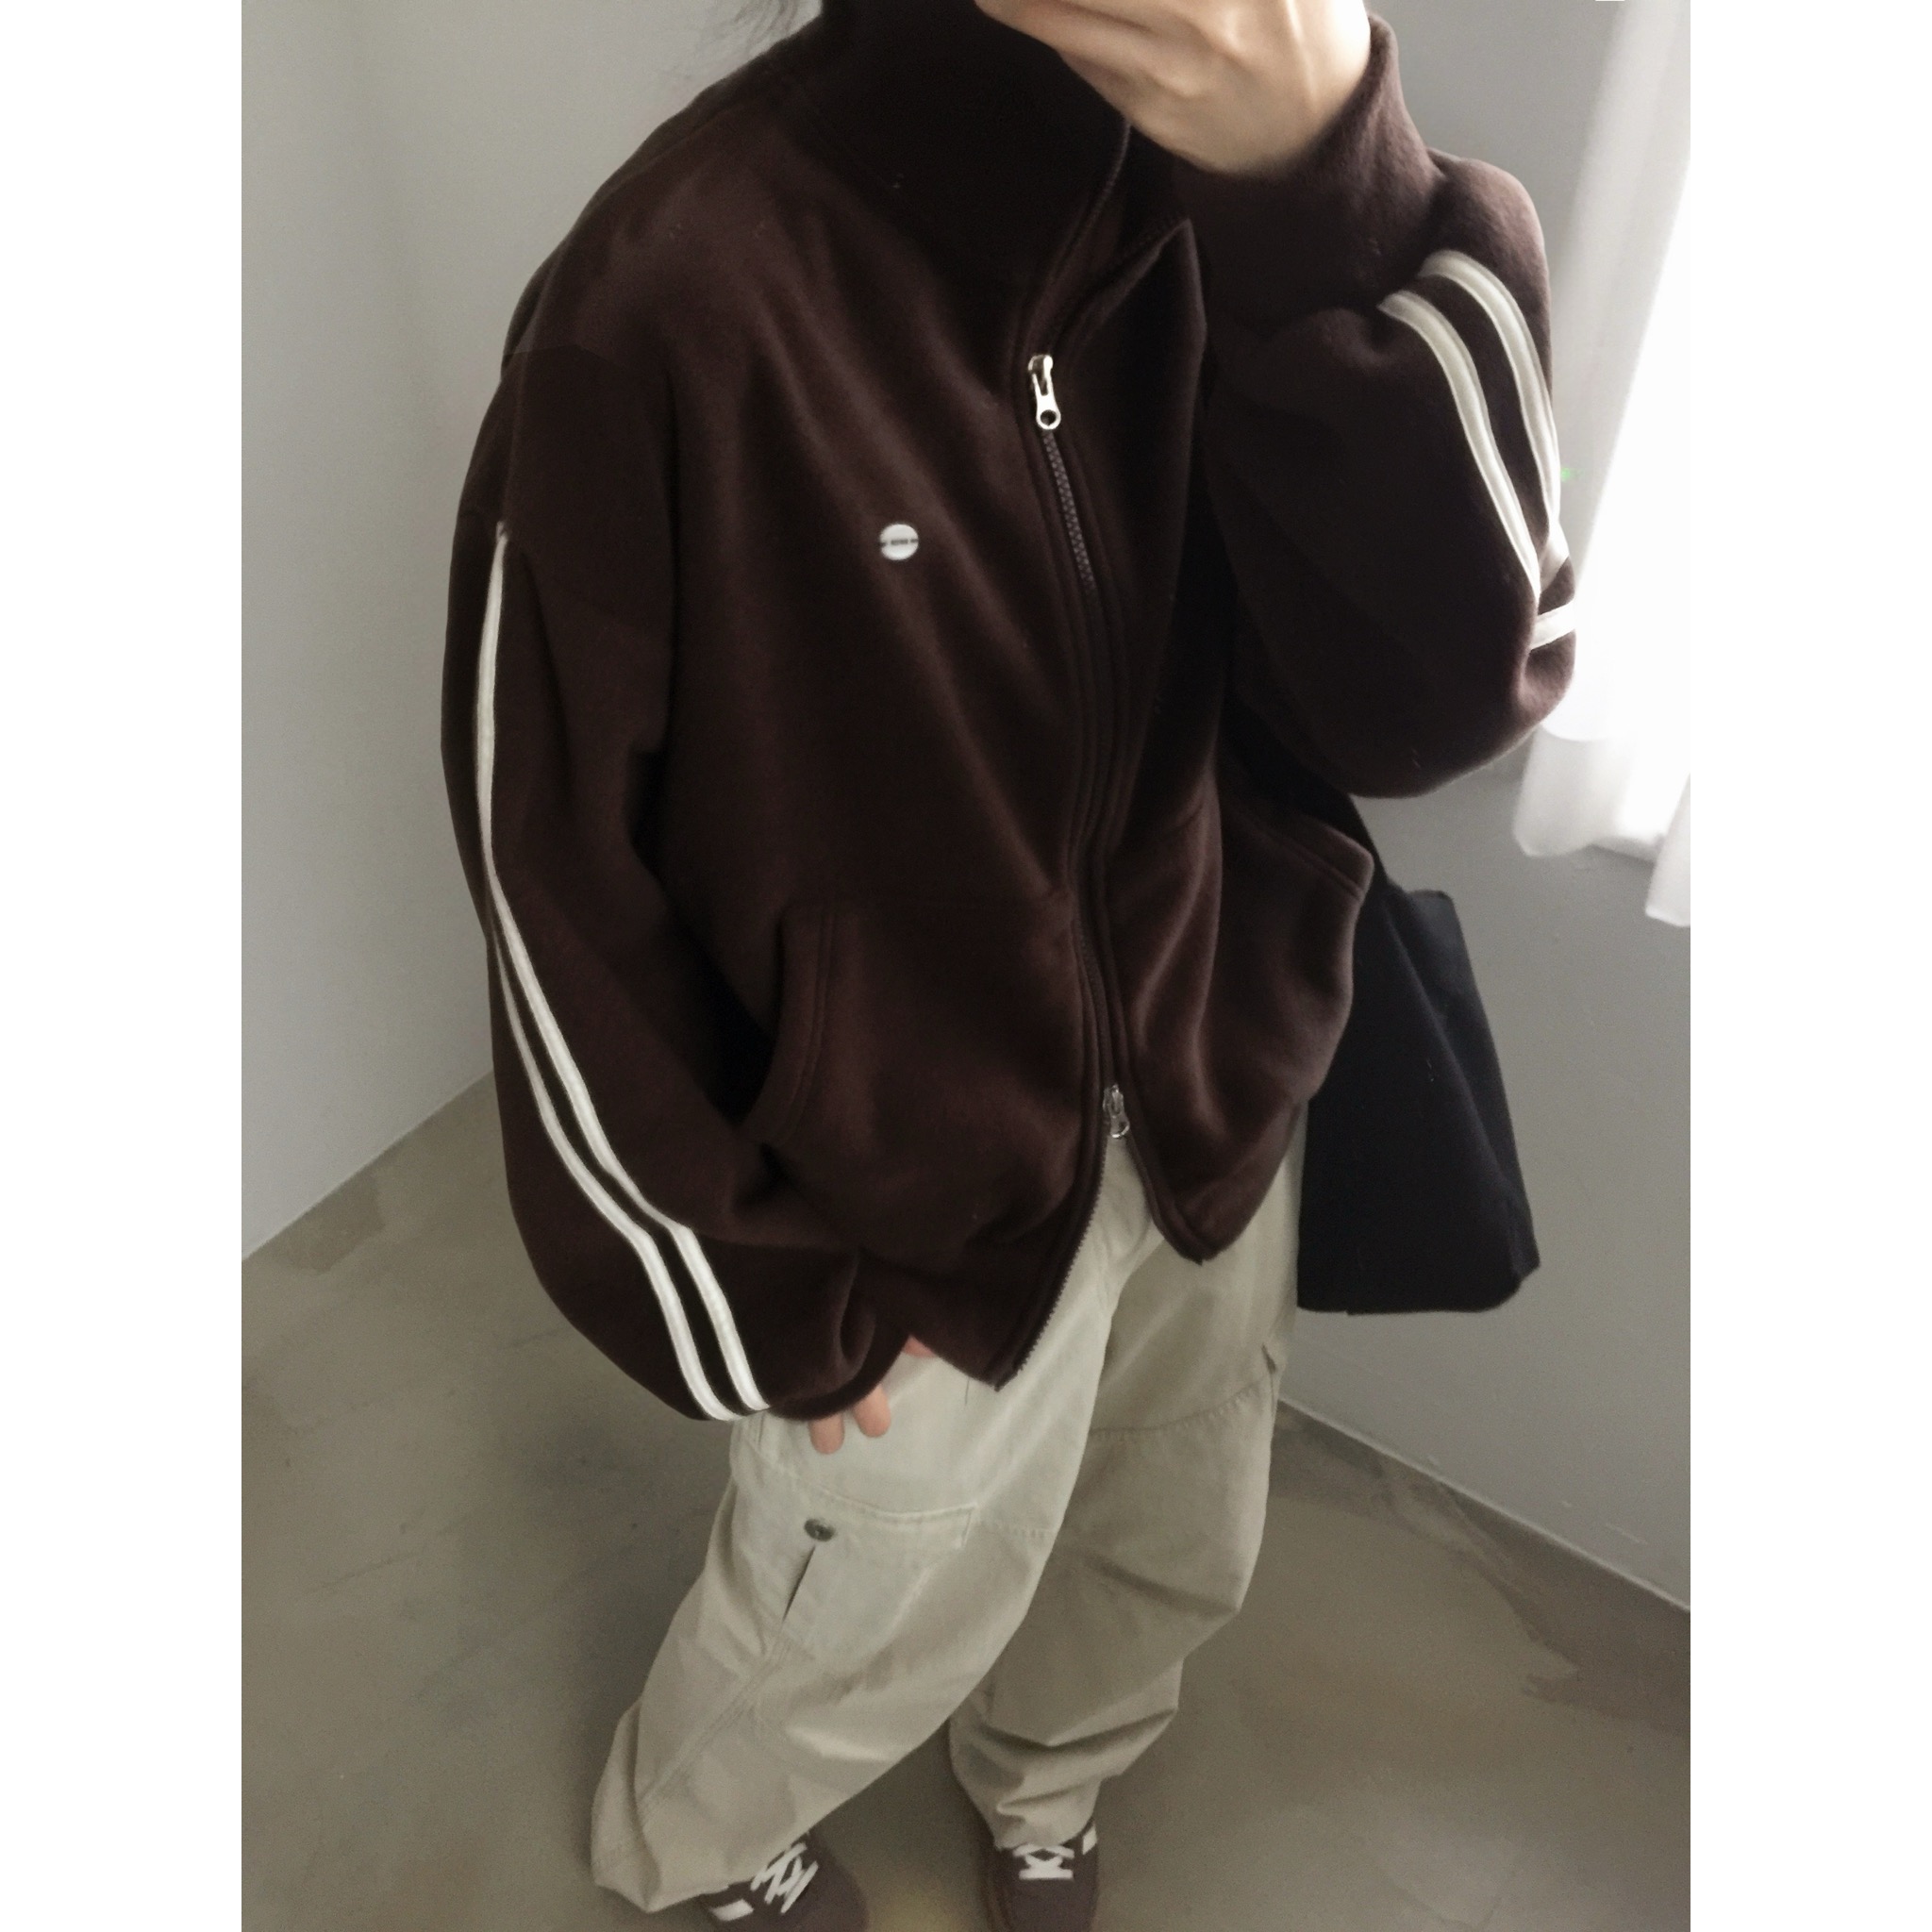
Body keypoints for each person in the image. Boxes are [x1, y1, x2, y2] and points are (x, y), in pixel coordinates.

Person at [442, 1, 1574, 1924]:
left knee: (1168, 1537)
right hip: (890, 1192)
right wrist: (740, 1288)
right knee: (852, 1604)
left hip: (1212, 1082)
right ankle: (691, 1843)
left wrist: (1328, 202)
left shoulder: (1289, 212)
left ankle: (1047, 1780)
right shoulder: (671, 293)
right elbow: (543, 853)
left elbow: (1442, 694)